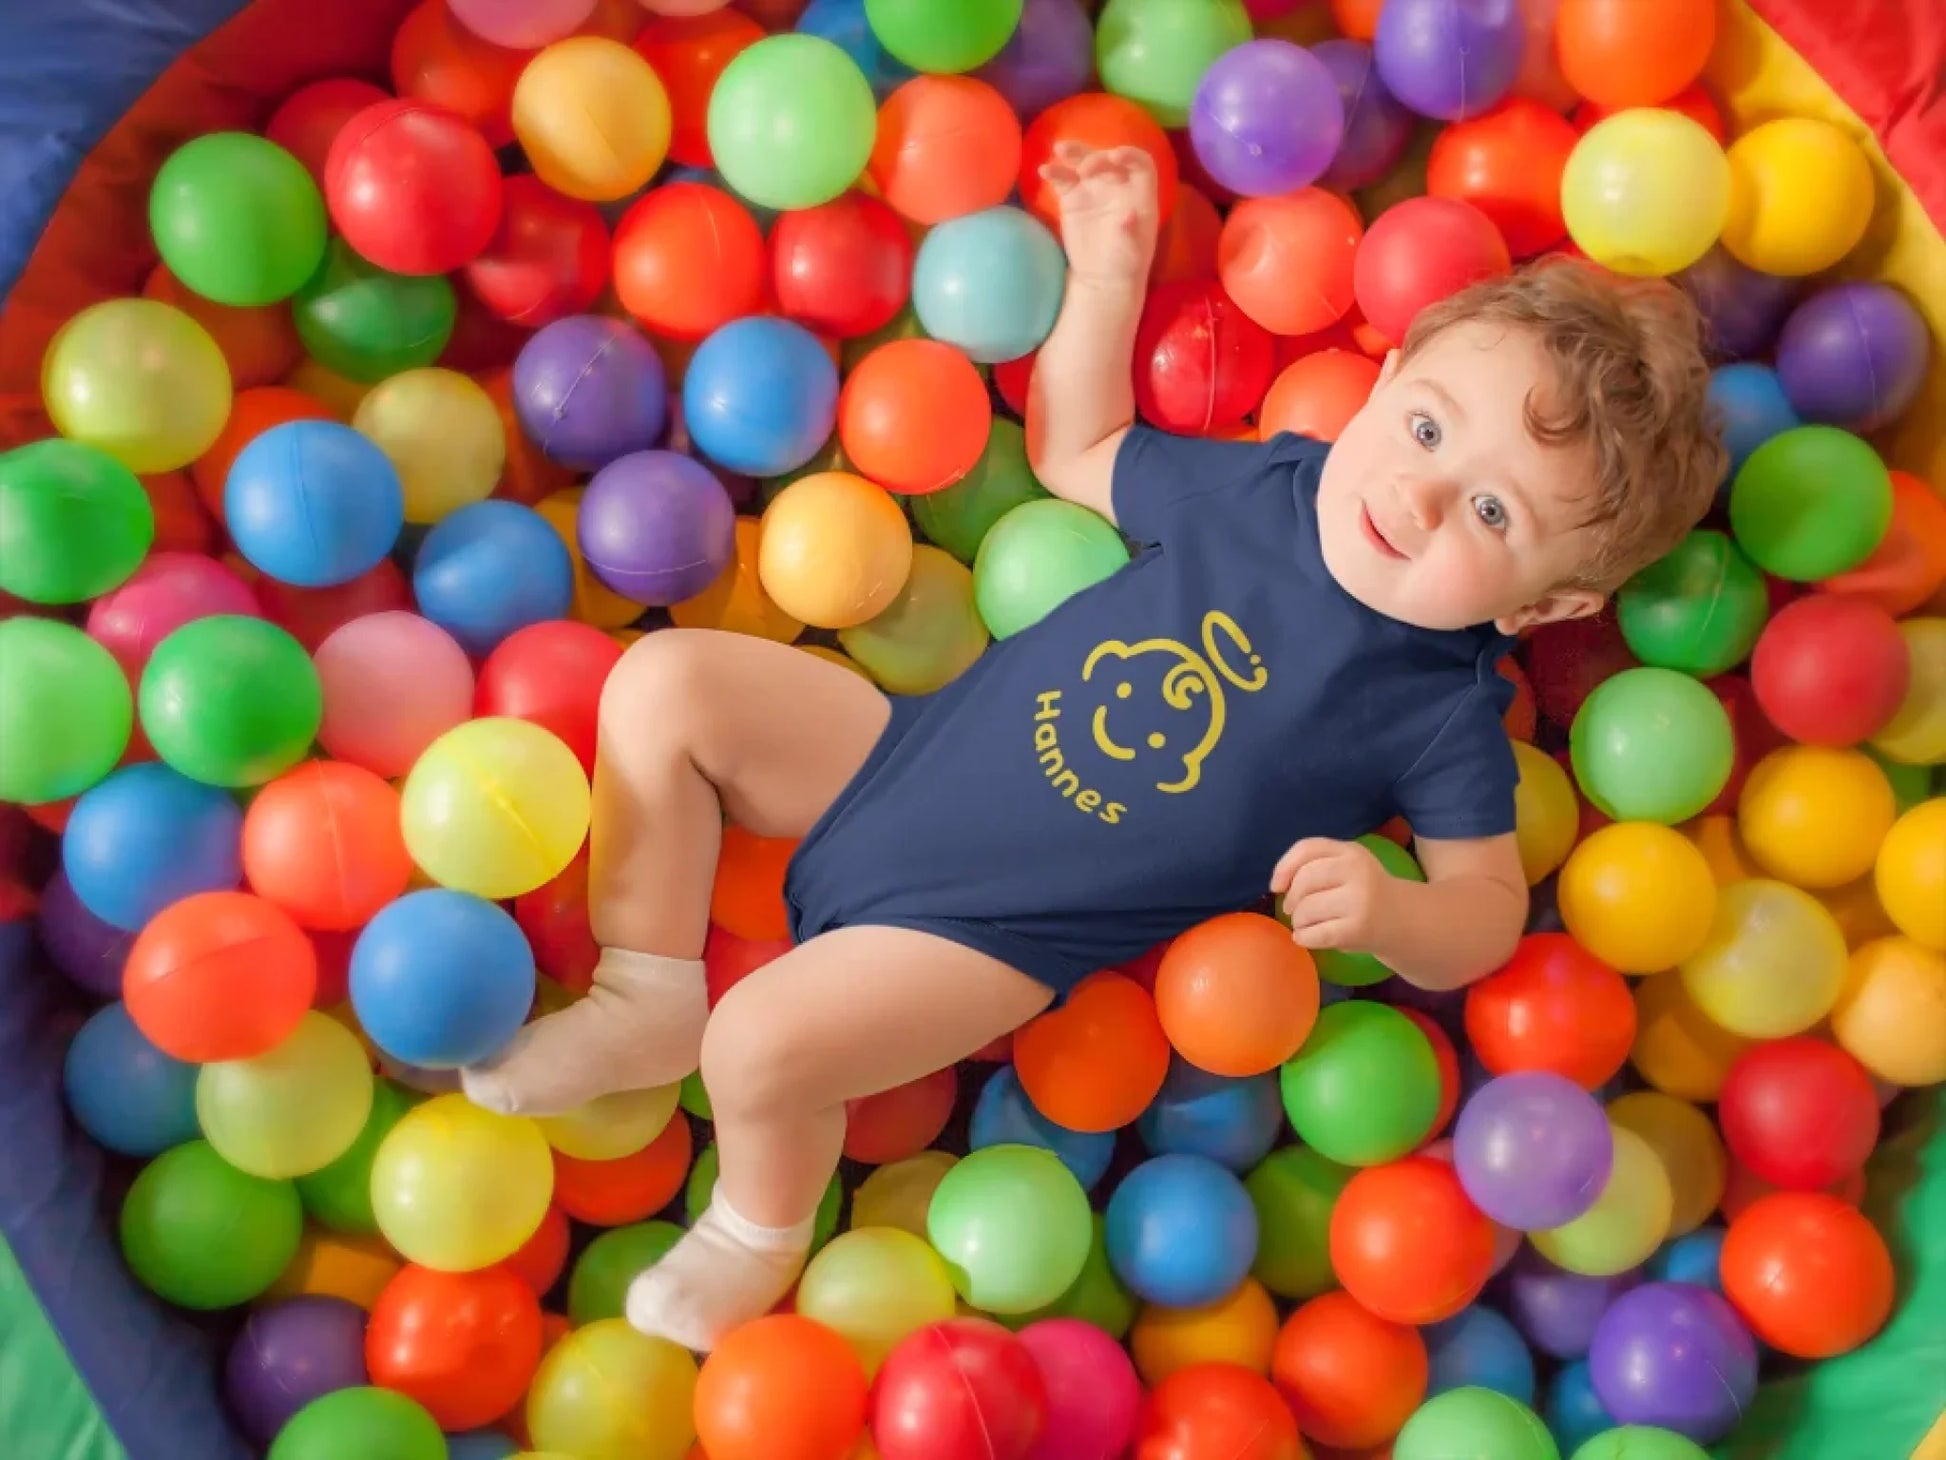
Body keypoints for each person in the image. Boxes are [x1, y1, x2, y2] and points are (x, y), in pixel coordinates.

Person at [458, 143, 1726, 1351]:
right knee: (664, 679)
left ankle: (756, 1224)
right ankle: (641, 992)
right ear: (1386, 382)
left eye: (1492, 512)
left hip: (997, 935)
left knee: (761, 1044)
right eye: (1430, 430)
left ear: (1541, 608)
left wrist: (1396, 911)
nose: (1419, 495)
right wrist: (1109, 276)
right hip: (902, 753)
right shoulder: (1263, 492)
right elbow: (1079, 448)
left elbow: (1486, 907)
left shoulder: (1438, 704)